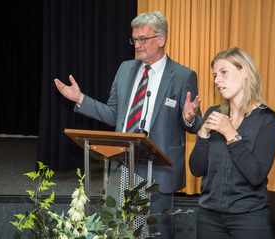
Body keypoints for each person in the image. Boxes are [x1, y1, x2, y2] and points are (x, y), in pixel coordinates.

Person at [54, 11, 202, 238]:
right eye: (135, 39)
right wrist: (80, 99)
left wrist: (189, 118)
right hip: (121, 165)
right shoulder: (125, 69)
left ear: (160, 40)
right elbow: (114, 115)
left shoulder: (182, 76)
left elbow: (193, 123)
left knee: (155, 233)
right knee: (117, 229)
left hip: (159, 172)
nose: (137, 45)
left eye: (144, 39)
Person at [189, 47, 275, 239]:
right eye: (214, 75)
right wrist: (203, 133)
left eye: (223, 72)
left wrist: (231, 134)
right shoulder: (213, 113)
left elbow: (256, 176)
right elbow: (197, 170)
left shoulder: (267, 119)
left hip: (250, 218)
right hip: (209, 217)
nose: (217, 80)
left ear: (244, 71)